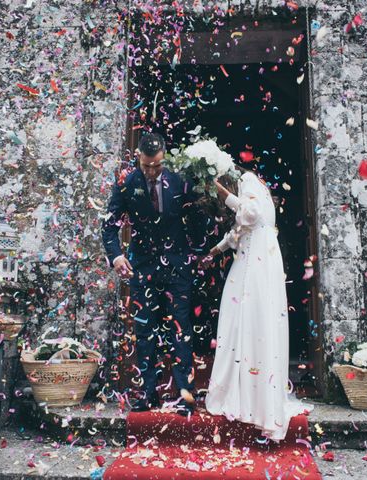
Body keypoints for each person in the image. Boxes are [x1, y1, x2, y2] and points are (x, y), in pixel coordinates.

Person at [202, 168, 310, 441]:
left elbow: (248, 215)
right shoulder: (256, 189)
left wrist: (225, 196)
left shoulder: (247, 180)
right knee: (243, 322)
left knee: (247, 322)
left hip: (255, 266)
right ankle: (246, 392)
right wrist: (217, 250)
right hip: (256, 260)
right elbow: (242, 228)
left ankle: (251, 399)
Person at [101, 133, 198, 416]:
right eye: (147, 166)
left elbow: (196, 218)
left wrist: (199, 252)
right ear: (139, 159)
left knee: (181, 328)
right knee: (144, 330)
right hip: (142, 266)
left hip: (178, 265)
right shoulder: (127, 183)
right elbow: (109, 225)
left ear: (164, 157)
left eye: (156, 166)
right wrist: (117, 256)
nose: (152, 171)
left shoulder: (180, 179)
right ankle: (146, 393)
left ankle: (184, 395)